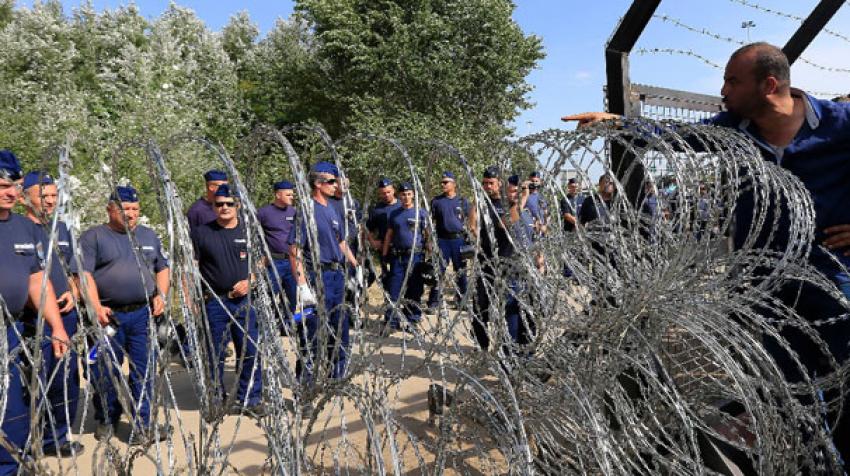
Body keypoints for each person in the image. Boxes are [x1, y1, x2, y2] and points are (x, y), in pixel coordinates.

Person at [564, 42, 850, 465]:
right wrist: (618, 122)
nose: (723, 90)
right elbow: (678, 137)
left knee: (842, 392)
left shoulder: (840, 125)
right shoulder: (735, 130)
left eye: (733, 81)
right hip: (765, 293)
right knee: (793, 399)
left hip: (831, 285)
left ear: (769, 84)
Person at [80, 185, 170, 443]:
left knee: (144, 371)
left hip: (142, 315)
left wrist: (160, 295)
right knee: (105, 371)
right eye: (124, 209)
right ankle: (107, 419)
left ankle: (143, 425)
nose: (130, 214)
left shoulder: (149, 236)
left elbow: (163, 268)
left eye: (134, 209)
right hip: (109, 317)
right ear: (110, 210)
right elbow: (84, 275)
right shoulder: (94, 237)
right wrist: (95, 306)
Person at [0, 150, 70, 475]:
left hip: (13, 331)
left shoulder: (23, 229)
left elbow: (37, 281)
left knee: (15, 409)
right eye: (1, 186)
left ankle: (11, 467)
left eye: (12, 185)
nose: (10, 192)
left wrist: (57, 326)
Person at [18, 171, 83, 456]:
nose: (50, 202)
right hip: (32, 319)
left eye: (55, 196)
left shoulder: (63, 229)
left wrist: (74, 291)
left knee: (65, 377)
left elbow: (73, 270)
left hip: (65, 315)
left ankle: (57, 436)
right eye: (43, 197)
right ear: (25, 199)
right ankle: (32, 438)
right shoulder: (19, 230)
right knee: (34, 382)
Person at [191, 184, 263, 416]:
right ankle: (215, 398)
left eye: (229, 204)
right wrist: (192, 298)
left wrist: (250, 281)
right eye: (219, 204)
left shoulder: (249, 231)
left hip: (245, 302)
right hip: (215, 302)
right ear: (212, 206)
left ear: (238, 206)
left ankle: (250, 398)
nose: (224, 208)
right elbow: (191, 267)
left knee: (249, 351)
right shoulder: (202, 233)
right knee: (215, 354)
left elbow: (262, 261)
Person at [288, 162, 358, 385]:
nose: (335, 185)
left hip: (337, 276)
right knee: (312, 332)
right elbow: (294, 249)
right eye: (331, 181)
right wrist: (301, 285)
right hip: (317, 277)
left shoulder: (331, 208)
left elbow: (340, 241)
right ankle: (306, 386)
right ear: (318, 184)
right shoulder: (307, 210)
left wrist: (356, 267)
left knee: (340, 328)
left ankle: (336, 377)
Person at [472, 167, 537, 355]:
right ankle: (482, 345)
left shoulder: (507, 205)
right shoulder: (482, 204)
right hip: (487, 263)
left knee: (511, 310)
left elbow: (513, 227)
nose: (487, 187)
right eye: (484, 183)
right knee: (481, 307)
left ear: (499, 183)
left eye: (490, 183)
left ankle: (512, 352)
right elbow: (474, 224)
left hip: (507, 265)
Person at [381, 182, 429, 332]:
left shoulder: (421, 213)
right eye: (403, 194)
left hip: (415, 257)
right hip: (398, 257)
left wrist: (430, 254)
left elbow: (428, 235)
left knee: (414, 290)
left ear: (413, 195)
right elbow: (389, 235)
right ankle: (391, 322)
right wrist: (384, 255)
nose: (406, 197)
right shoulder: (394, 214)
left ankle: (412, 320)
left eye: (409, 194)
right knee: (393, 290)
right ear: (399, 195)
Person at [426, 171, 470, 309]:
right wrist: (429, 241)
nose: (443, 184)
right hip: (442, 240)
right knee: (438, 272)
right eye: (442, 182)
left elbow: (470, 220)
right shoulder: (436, 201)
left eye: (446, 182)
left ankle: (462, 300)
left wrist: (471, 239)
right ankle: (433, 302)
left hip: (458, 240)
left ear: (454, 184)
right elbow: (429, 222)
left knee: (461, 271)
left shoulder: (462, 201)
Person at [257, 180, 298, 328]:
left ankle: (286, 325)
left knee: (292, 296)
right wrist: (260, 257)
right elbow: (255, 236)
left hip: (291, 262)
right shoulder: (263, 213)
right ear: (277, 194)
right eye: (288, 194)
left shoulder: (294, 213)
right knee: (268, 294)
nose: (291, 197)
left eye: (292, 194)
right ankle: (264, 325)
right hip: (273, 262)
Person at [366, 178, 401, 289]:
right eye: (383, 193)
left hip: (401, 248)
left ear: (393, 190)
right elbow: (367, 229)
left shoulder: (402, 206)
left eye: (388, 192)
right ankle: (389, 302)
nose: (386, 195)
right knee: (387, 277)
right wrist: (373, 242)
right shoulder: (377, 210)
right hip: (384, 249)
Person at [559, 177, 581, 277]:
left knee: (580, 253)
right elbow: (567, 215)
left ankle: (579, 276)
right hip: (569, 231)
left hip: (581, 232)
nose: (574, 189)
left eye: (576, 187)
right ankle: (568, 275)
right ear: (568, 187)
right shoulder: (565, 200)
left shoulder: (583, 199)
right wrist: (579, 225)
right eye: (572, 187)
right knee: (569, 253)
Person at [525, 171, 548, 235]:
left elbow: (545, 213)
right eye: (532, 181)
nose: (534, 183)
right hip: (530, 228)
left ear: (540, 182)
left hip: (541, 230)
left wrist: (545, 225)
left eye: (536, 181)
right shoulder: (525, 195)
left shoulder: (541, 197)